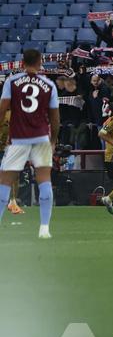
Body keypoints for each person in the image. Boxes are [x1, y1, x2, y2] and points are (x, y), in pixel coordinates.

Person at [0, 49, 61, 237]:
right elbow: (55, 118)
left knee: (4, 183)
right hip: (41, 138)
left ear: (22, 62)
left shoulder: (11, 82)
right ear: (40, 62)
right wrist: (53, 140)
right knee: (44, 181)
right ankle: (44, 228)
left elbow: (2, 110)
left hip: (18, 139)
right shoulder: (49, 84)